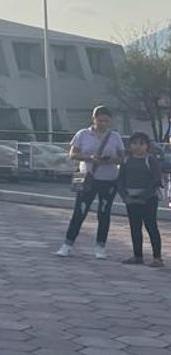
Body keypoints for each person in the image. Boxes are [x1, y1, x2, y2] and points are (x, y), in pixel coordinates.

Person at [56, 106, 125, 259]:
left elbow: (122, 157)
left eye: (106, 121)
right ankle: (67, 244)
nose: (103, 124)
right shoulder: (83, 134)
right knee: (80, 211)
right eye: (100, 120)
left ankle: (100, 246)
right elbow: (73, 154)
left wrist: (111, 160)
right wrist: (90, 158)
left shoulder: (115, 137)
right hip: (86, 176)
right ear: (93, 119)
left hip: (108, 179)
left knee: (104, 212)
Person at [118, 132, 163, 267]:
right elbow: (120, 179)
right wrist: (124, 196)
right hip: (130, 199)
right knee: (135, 227)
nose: (138, 146)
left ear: (147, 146)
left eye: (141, 143)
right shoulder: (126, 160)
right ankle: (137, 255)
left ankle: (157, 257)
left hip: (148, 199)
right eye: (134, 143)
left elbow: (156, 180)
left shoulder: (151, 160)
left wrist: (144, 196)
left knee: (151, 226)